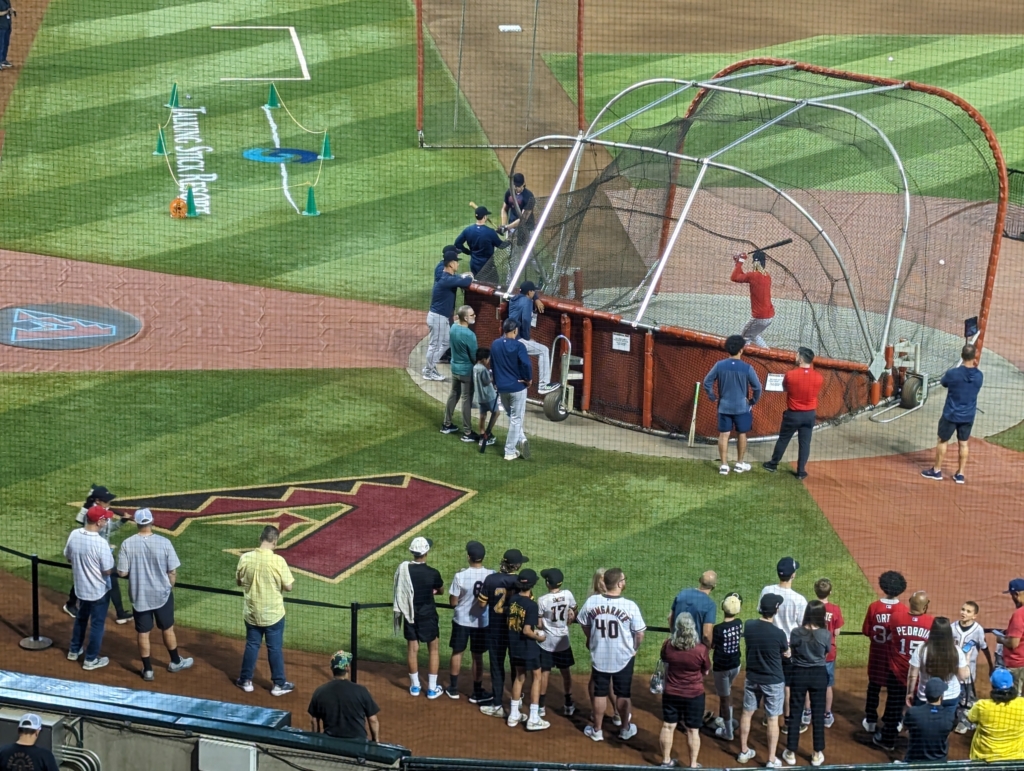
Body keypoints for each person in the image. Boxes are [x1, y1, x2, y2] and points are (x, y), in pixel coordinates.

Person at [116, 508, 193, 681]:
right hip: (162, 595)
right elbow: (172, 571)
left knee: (143, 633)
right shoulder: (164, 542)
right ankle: (174, 662)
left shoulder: (127, 544)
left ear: (136, 522)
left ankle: (148, 670)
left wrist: (137, 572)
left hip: (139, 595)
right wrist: (169, 587)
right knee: (167, 628)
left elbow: (121, 572)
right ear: (152, 521)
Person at [577, 568, 646, 743]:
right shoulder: (629, 606)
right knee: (623, 694)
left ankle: (597, 730)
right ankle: (624, 729)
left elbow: (583, 623)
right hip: (623, 657)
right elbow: (639, 634)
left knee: (600, 692)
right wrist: (634, 648)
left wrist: (591, 638)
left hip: (600, 655)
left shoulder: (592, 601)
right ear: (620, 583)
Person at [235, 525, 295, 696]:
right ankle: (278, 684)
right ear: (275, 542)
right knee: (274, 648)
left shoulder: (245, 558)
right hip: (273, 614)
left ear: (260, 538)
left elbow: (239, 582)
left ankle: (245, 680)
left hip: (252, 612)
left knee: (252, 645)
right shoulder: (278, 561)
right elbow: (289, 587)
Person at [64, 484, 132, 625]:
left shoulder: (103, 512)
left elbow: (108, 529)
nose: (109, 502)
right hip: (94, 551)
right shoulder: (93, 514)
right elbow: (92, 533)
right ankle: (71, 604)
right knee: (107, 577)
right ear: (98, 501)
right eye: (106, 500)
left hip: (103, 550)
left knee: (108, 578)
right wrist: (103, 547)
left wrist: (122, 521)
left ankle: (119, 613)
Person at [875, 590, 934, 751]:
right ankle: (916, 742)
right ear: (926, 606)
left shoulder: (896, 617)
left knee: (893, 704)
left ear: (909, 602)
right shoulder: (931, 623)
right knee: (920, 707)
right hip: (920, 676)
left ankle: (888, 740)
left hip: (897, 672)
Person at [736, 593, 790, 768]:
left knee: (746, 713)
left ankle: (743, 752)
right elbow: (785, 654)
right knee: (773, 719)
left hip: (752, 677)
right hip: (773, 680)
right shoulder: (779, 634)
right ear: (775, 610)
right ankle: (771, 759)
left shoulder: (749, 625)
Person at [921, 343, 983, 483]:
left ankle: (936, 471)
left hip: (951, 414)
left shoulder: (953, 373)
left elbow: (944, 383)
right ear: (974, 357)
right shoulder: (979, 376)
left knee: (942, 441)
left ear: (962, 356)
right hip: (968, 415)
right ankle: (960, 474)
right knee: (964, 444)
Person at [64, 505, 117, 671]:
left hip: (81, 588)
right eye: (106, 519)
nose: (107, 521)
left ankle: (73, 651)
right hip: (98, 591)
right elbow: (107, 570)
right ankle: (90, 660)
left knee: (80, 619)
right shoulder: (100, 543)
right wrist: (110, 553)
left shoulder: (74, 534)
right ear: (99, 521)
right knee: (97, 625)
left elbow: (68, 557)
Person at [478, 548, 529, 717]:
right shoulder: (521, 581)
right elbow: (528, 606)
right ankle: (517, 700)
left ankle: (497, 704)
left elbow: (481, 604)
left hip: (495, 630)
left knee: (497, 666)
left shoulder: (490, 579)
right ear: (517, 566)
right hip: (514, 630)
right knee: (516, 664)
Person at [760, 557, 808, 733]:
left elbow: (762, 612)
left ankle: (768, 716)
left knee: (768, 679)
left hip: (768, 645)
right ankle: (788, 721)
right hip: (788, 649)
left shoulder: (767, 590)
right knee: (787, 685)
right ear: (793, 575)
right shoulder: (799, 600)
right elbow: (803, 626)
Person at [392, 536, 444, 698]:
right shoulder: (432, 573)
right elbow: (441, 590)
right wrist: (433, 590)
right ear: (426, 552)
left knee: (412, 650)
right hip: (427, 615)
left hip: (410, 614)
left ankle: (415, 687)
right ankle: (432, 689)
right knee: (433, 649)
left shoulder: (404, 569)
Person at [703, 334, 762, 474]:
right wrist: (753, 401)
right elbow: (758, 388)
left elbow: (707, 382)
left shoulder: (719, 365)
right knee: (742, 434)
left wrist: (713, 397)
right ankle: (739, 464)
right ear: (742, 350)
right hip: (742, 408)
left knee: (724, 435)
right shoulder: (747, 368)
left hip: (724, 407)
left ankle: (724, 465)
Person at [763, 347, 824, 480]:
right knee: (805, 443)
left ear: (801, 359)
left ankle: (773, 464)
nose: (795, 358)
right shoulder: (819, 377)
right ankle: (801, 472)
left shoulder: (791, 374)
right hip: (809, 415)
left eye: (797, 356)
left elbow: (785, 387)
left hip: (793, 414)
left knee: (784, 439)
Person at [783, 600, 831, 767]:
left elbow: (793, 651)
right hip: (818, 675)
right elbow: (826, 652)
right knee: (818, 715)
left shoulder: (796, 632)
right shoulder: (825, 634)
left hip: (799, 674)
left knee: (795, 713)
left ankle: (790, 752)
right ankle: (817, 753)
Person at [659, 613, 710, 768]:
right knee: (693, 730)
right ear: (692, 628)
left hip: (671, 693)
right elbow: (706, 670)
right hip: (694, 695)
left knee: (668, 726)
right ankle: (693, 765)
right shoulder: (701, 650)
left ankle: (666, 761)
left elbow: (664, 660)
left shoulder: (667, 645)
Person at [446, 540, 494, 702]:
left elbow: (453, 602)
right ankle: (477, 691)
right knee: (477, 656)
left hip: (461, 621)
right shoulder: (491, 575)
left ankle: (453, 688)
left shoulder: (460, 576)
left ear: (469, 557)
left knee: (457, 652)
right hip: (481, 623)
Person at [862, 570, 907, 733]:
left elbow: (866, 631)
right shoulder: (903, 610)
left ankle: (870, 720)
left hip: (876, 656)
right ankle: (892, 721)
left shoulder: (874, 606)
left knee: (873, 688)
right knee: (894, 691)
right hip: (895, 659)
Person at [506, 569, 550, 731]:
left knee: (519, 677)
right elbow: (527, 630)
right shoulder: (531, 605)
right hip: (528, 648)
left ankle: (513, 715)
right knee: (537, 677)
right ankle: (533, 717)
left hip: (514, 646)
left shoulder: (513, 600)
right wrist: (539, 637)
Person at [308, 650, 380, 741]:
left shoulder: (320, 691)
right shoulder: (362, 691)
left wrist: (316, 740)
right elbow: (373, 720)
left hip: (330, 744)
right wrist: (375, 741)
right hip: (357, 745)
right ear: (347, 668)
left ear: (332, 668)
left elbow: (314, 720)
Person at [423, 254, 473, 382]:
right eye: (456, 262)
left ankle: (430, 367)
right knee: (435, 345)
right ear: (450, 264)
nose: (458, 264)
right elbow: (466, 282)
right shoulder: (446, 279)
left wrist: (462, 276)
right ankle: (428, 371)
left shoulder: (447, 277)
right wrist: (468, 277)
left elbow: (457, 278)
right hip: (438, 317)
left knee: (446, 342)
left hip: (440, 317)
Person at [490, 318, 533, 461]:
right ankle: (509, 451)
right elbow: (526, 364)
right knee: (516, 418)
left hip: (502, 388)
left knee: (511, 415)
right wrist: (528, 379)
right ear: (515, 330)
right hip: (517, 388)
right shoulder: (519, 346)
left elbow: (494, 366)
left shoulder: (495, 344)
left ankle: (521, 439)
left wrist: (496, 383)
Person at [537, 568, 577, 717]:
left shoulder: (542, 600)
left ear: (548, 583)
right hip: (563, 642)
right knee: (566, 673)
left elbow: (539, 624)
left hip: (547, 643)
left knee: (544, 673)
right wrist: (571, 615)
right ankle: (568, 705)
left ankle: (541, 707)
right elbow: (573, 610)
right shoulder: (568, 595)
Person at [906, 617, 969, 709]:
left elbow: (912, 675)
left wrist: (910, 692)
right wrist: (967, 660)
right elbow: (963, 676)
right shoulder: (956, 651)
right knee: (947, 722)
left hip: (926, 696)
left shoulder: (921, 649)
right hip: (950, 696)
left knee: (924, 721)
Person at [586, 568, 621, 727]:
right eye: (600, 579)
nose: (602, 582)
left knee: (603, 682)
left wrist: (590, 638)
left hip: (603, 648)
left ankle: (605, 713)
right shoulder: (599, 599)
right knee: (603, 681)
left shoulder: (593, 600)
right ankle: (615, 713)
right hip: (606, 647)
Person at [967, 668, 1024, 762]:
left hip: (986, 756)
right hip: (1016, 756)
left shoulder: (982, 706)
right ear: (1012, 685)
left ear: (992, 685)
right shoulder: (1022, 704)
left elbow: (970, 718)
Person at [954, 600, 994, 733]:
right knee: (952, 694)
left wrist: (990, 665)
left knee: (966, 698)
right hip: (952, 671)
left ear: (974, 616)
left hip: (968, 672)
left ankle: (963, 722)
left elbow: (985, 648)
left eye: (968, 611)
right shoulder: (952, 627)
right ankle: (954, 718)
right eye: (963, 609)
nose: (963, 613)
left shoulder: (978, 630)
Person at [507, 281, 554, 393]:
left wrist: (536, 298)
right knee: (544, 350)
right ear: (529, 292)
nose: (535, 293)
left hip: (507, 338)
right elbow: (526, 320)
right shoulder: (527, 302)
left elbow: (527, 295)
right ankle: (543, 385)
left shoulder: (515, 298)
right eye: (534, 291)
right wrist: (527, 338)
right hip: (517, 339)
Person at [441, 305, 479, 439]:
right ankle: (468, 433)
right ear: (465, 318)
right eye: (472, 315)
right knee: (466, 400)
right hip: (466, 372)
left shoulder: (454, 328)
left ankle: (446, 424)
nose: (474, 316)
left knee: (453, 395)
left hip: (454, 369)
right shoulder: (470, 335)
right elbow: (475, 356)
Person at [902, 677, 958, 763]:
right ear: (941, 696)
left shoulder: (913, 712)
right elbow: (947, 734)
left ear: (925, 694)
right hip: (938, 763)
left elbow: (905, 729)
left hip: (914, 760)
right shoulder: (949, 716)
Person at [712, 593, 744, 741]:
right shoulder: (739, 623)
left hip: (722, 668)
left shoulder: (717, 629)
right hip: (735, 666)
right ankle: (727, 719)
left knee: (725, 698)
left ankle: (728, 732)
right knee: (727, 692)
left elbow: (712, 645)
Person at [814, 578, 844, 728]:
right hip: (829, 652)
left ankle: (807, 712)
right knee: (827, 685)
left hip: (812, 650)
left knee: (809, 683)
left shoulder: (811, 607)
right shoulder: (835, 609)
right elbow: (837, 632)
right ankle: (826, 714)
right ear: (830, 592)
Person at [731, 249, 775, 347]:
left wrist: (740, 261)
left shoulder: (753, 276)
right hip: (769, 316)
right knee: (754, 335)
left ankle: (745, 358)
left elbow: (734, 277)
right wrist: (738, 263)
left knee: (744, 338)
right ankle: (768, 353)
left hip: (759, 317)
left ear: (755, 263)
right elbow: (740, 276)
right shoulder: (767, 276)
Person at [456, 206, 509, 276]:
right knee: (492, 284)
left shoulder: (468, 230)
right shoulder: (490, 232)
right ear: (484, 217)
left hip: (474, 263)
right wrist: (509, 240)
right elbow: (502, 246)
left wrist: (469, 252)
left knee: (477, 284)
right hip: (488, 265)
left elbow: (457, 243)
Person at [669, 570, 717, 646]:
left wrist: (674, 635)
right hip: (695, 649)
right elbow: (706, 635)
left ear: (700, 580)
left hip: (676, 645)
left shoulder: (682, 593)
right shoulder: (710, 605)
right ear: (714, 586)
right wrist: (706, 649)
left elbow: (670, 618)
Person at [994, 578, 1024, 696]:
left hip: (1018, 664)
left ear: (1016, 594)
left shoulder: (1019, 614)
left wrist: (1001, 639)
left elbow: (1013, 644)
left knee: (1016, 699)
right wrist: (1009, 632)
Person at [472, 348, 499, 452]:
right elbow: (487, 381)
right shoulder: (483, 369)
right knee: (496, 413)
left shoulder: (475, 367)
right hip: (488, 396)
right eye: (488, 359)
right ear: (483, 359)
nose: (488, 361)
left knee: (482, 415)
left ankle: (482, 434)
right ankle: (488, 433)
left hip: (480, 397)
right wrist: (493, 377)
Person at [500, 173, 536, 238]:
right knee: (510, 247)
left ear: (523, 184)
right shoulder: (509, 193)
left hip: (526, 229)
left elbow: (523, 219)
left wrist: (507, 227)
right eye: (515, 185)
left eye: (519, 186)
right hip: (512, 227)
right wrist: (503, 225)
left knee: (525, 248)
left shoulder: (529, 197)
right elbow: (504, 209)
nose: (517, 188)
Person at [0, 0, 11, 72]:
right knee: (0, 44)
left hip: (7, 24)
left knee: (6, 43)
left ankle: (3, 60)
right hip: (0, 26)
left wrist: (11, 10)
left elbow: (8, 8)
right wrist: (7, 12)